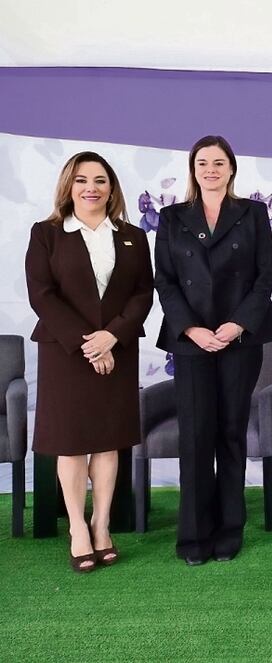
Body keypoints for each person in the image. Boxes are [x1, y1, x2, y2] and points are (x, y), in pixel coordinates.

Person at [153, 135, 272, 566]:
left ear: (232, 169)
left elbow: (266, 276)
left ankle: (230, 530)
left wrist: (235, 324)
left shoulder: (253, 213)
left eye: (219, 162)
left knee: (230, 434)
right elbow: (166, 281)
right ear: (193, 168)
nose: (211, 169)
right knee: (195, 438)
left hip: (240, 338)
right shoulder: (172, 217)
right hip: (191, 342)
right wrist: (191, 328)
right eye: (203, 162)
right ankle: (193, 538)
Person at [25, 152, 154, 572]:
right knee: (71, 441)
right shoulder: (47, 234)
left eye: (100, 180)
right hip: (67, 352)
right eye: (82, 180)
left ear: (112, 188)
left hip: (117, 348)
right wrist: (88, 344)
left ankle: (102, 524)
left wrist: (111, 336)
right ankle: (78, 528)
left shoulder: (133, 235)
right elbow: (42, 294)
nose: (91, 188)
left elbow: (142, 294)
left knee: (106, 439)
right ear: (69, 186)